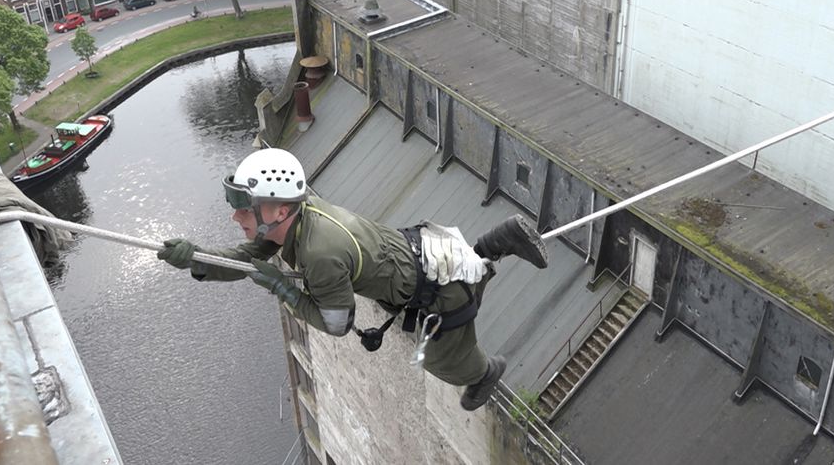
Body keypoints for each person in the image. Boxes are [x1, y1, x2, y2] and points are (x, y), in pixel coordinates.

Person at [156, 148, 549, 410]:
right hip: (419, 250)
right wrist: (198, 259)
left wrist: (281, 287)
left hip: (434, 293)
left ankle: (486, 373)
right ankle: (498, 241)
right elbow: (247, 258)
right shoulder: (298, 209)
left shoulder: (320, 254)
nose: (234, 216)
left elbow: (337, 322)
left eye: (243, 207)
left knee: (449, 361)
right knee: (463, 268)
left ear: (278, 211)